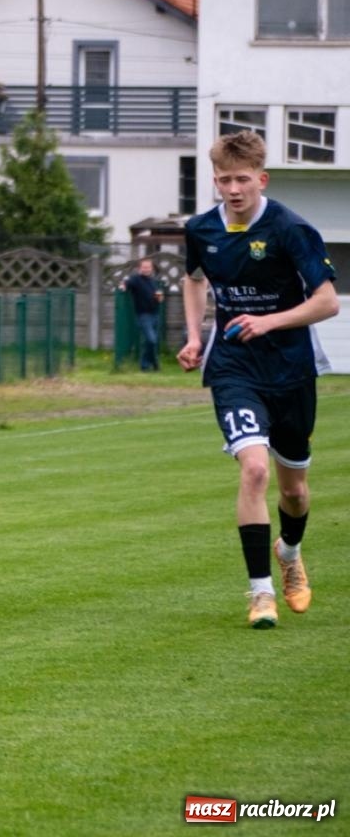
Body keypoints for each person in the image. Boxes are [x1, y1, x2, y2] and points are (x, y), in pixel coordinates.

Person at [177, 131, 339, 629]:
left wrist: (268, 322)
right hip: (234, 367)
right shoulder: (201, 229)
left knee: (295, 491)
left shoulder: (292, 228)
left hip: (291, 370)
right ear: (215, 180)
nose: (233, 189)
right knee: (253, 470)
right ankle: (261, 593)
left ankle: (288, 552)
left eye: (242, 179)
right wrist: (194, 336)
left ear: (261, 179)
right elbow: (193, 278)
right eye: (224, 180)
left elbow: (327, 302)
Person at [119, 258, 165, 372]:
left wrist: (159, 297)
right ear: (139, 268)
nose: (146, 269)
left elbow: (159, 298)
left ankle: (149, 365)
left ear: (151, 269)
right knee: (151, 340)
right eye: (144, 267)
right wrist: (123, 287)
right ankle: (149, 363)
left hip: (155, 314)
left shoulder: (153, 281)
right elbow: (126, 284)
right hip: (143, 315)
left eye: (148, 267)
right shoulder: (136, 279)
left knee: (152, 342)